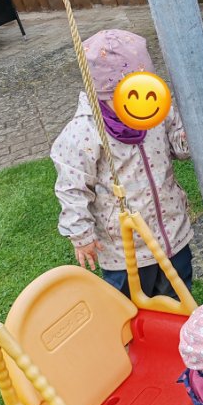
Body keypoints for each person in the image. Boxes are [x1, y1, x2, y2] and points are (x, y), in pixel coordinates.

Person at [51, 29, 194, 297]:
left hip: (172, 231)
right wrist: (81, 234)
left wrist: (187, 137)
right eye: (130, 97)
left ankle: (182, 325)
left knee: (179, 297)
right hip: (124, 250)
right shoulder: (84, 132)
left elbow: (179, 146)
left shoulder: (156, 112)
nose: (142, 105)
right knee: (129, 307)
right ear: (102, 95)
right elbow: (72, 186)